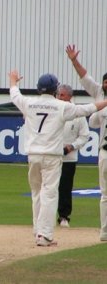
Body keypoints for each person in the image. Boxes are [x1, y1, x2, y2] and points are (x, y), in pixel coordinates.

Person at [8, 70, 107, 246]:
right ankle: (44, 235)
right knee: (50, 194)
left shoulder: (29, 103)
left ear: (39, 88)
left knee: (37, 193)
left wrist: (13, 81)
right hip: (52, 156)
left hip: (33, 155)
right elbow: (86, 109)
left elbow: (15, 94)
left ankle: (37, 230)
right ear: (55, 89)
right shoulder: (61, 106)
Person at [66, 44, 107, 241]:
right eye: (105, 82)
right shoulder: (99, 93)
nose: (106, 85)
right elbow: (85, 78)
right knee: (105, 194)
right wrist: (74, 61)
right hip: (105, 151)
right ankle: (105, 232)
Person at [56, 84, 90, 227]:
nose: (60, 97)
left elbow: (84, 136)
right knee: (47, 187)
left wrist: (72, 146)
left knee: (65, 187)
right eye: (58, 95)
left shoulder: (77, 114)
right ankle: (43, 216)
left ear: (70, 96)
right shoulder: (54, 109)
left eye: (62, 95)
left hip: (69, 158)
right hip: (51, 155)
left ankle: (64, 216)